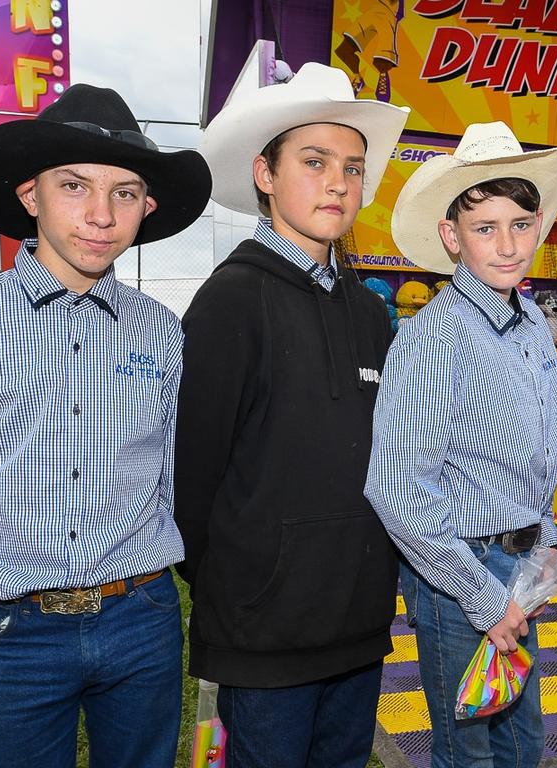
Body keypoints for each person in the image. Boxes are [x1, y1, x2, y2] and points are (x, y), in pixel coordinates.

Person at [0, 84, 211, 767]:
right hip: (20, 624)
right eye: (74, 186)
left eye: (125, 192)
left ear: (147, 207)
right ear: (30, 196)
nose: (101, 214)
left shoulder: (159, 331)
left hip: (142, 617)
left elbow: (172, 466)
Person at [177, 63, 409, 768]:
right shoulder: (230, 302)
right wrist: (245, 584)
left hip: (358, 620)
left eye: (353, 167)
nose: (339, 182)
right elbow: (191, 474)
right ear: (266, 175)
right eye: (314, 162)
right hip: (264, 632)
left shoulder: (372, 313)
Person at [365, 121, 557, 768]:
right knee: (471, 753)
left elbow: (536, 451)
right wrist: (484, 598)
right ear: (452, 237)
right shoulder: (435, 337)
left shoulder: (533, 321)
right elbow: (396, 486)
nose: (507, 244)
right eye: (485, 228)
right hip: (460, 574)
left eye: (520, 223)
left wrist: (546, 546)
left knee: (520, 743)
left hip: (521, 563)